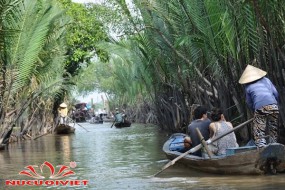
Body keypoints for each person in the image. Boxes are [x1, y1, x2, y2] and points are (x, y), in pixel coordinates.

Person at [239, 64, 279, 148]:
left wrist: (255, 110)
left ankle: (262, 148)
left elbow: (249, 102)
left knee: (259, 131)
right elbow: (275, 93)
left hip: (260, 107)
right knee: (273, 128)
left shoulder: (248, 86)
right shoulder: (267, 80)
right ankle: (274, 145)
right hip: (274, 106)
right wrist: (274, 104)